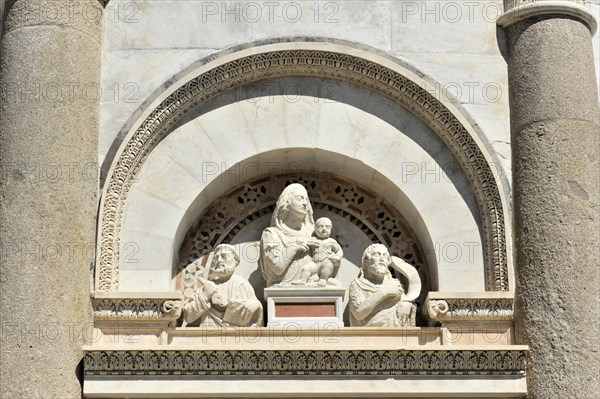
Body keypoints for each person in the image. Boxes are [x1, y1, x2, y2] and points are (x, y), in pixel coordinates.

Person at [182, 244, 262, 327]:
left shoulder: (241, 284)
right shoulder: (207, 286)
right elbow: (188, 317)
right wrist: (205, 295)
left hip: (237, 336)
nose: (219, 260)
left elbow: (256, 321)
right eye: (216, 258)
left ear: (235, 261)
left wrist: (255, 305)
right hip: (208, 335)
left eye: (224, 256)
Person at [259, 183, 316, 287]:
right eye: (300, 198)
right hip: (280, 293)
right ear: (287, 202)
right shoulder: (271, 234)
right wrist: (294, 247)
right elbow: (277, 268)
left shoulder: (312, 234)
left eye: (306, 200)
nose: (304, 203)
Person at [349, 244, 416, 327]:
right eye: (377, 254)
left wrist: (407, 304)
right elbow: (359, 313)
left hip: (396, 334)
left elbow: (406, 304)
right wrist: (384, 292)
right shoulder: (357, 284)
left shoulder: (395, 284)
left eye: (384, 256)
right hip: (367, 336)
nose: (382, 259)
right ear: (366, 260)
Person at [292, 217, 343, 287]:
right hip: (315, 263)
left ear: (331, 229)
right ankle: (303, 280)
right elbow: (304, 242)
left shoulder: (331, 241)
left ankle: (323, 279)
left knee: (328, 266)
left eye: (327, 227)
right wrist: (301, 241)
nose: (324, 229)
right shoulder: (313, 239)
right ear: (315, 229)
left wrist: (337, 256)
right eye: (321, 227)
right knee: (306, 268)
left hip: (325, 261)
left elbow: (339, 251)